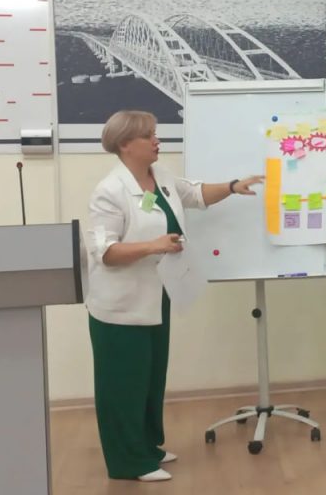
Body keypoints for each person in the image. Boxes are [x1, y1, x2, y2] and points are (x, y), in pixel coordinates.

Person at [86, 110, 262, 482]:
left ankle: (148, 446)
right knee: (123, 385)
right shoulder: (110, 191)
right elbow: (105, 252)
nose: (156, 140)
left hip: (157, 297)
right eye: (148, 135)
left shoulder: (160, 177)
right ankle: (128, 462)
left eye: (155, 133)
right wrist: (154, 245)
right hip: (120, 307)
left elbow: (195, 193)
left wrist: (233, 186)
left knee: (150, 379)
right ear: (125, 144)